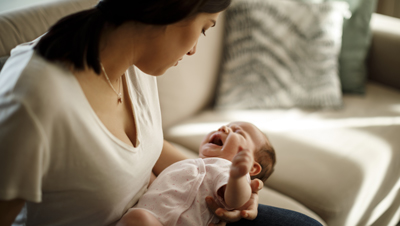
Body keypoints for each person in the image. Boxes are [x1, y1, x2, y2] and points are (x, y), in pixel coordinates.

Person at [0, 0, 323, 225]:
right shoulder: (35, 98)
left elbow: (143, 151)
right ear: (176, 7)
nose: (196, 48)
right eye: (205, 28)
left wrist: (225, 184)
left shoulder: (137, 61)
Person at [117, 121, 276, 226]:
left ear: (252, 168)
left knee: (138, 218)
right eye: (225, 125)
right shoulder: (188, 165)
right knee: (136, 218)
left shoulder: (226, 169)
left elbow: (234, 201)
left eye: (238, 133)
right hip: (152, 217)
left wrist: (238, 177)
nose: (223, 128)